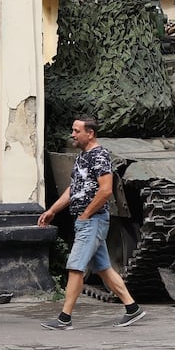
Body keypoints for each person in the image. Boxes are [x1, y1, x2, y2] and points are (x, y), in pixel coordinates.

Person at [38, 115, 146, 330]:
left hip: (92, 221)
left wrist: (86, 214)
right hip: (86, 220)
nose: (72, 134)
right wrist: (52, 210)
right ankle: (133, 309)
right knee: (104, 268)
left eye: (77, 131)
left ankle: (64, 318)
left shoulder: (99, 155)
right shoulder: (82, 157)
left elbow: (106, 191)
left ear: (90, 133)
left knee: (76, 267)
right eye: (73, 130)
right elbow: (74, 189)